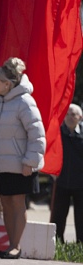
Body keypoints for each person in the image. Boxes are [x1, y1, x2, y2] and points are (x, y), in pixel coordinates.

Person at [0, 57, 45, 259]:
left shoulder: (25, 102)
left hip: (21, 164)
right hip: (1, 163)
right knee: (5, 202)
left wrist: (29, 163)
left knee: (17, 202)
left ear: (8, 84)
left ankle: (16, 246)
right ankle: (10, 245)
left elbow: (37, 135)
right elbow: (2, 132)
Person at [51, 104, 83, 243]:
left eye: (73, 115)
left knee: (81, 218)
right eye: (68, 114)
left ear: (80, 118)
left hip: (80, 184)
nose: (70, 117)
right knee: (58, 216)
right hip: (61, 181)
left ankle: (80, 246)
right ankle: (56, 244)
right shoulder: (57, 134)